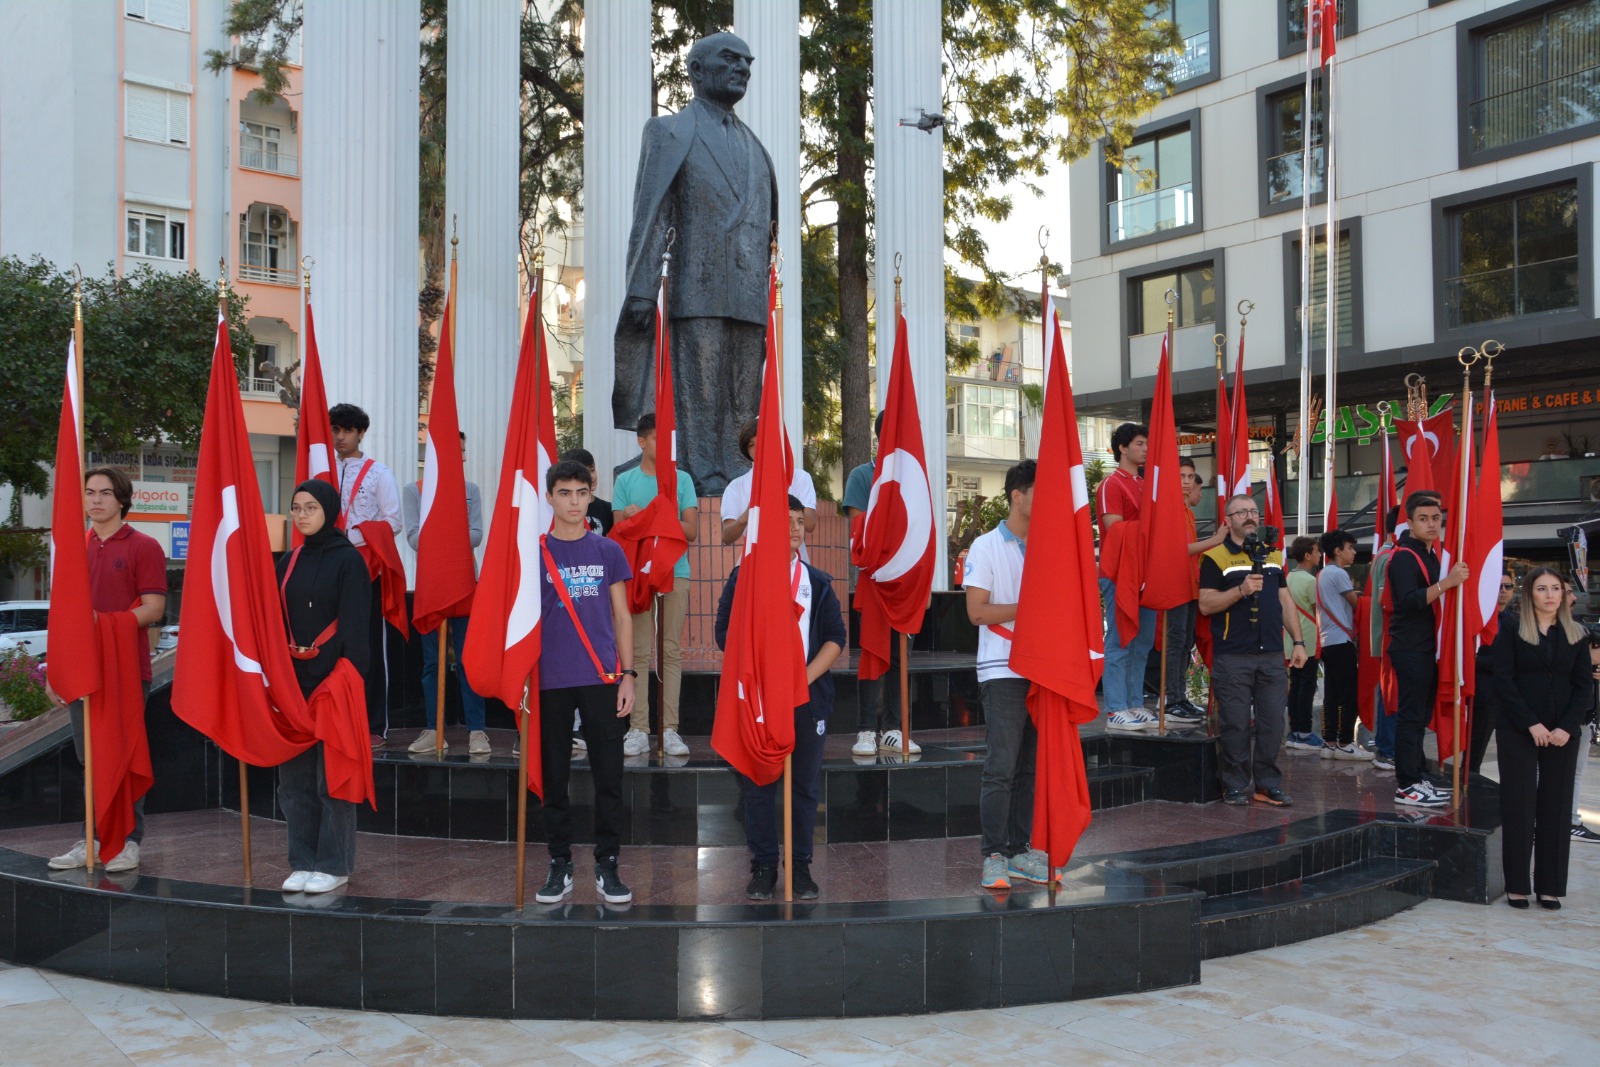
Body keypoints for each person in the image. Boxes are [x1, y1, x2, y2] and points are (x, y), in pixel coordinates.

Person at [611, 31, 776, 495]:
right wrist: (642, 289)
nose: (742, 67)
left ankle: (741, 476)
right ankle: (701, 474)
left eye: (747, 61)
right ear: (697, 70)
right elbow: (652, 213)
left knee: (745, 393)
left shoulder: (756, 148)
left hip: (747, 295)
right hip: (695, 288)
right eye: (730, 59)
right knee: (699, 389)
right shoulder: (667, 132)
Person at [715, 495, 846, 899]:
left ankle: (801, 865)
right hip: (759, 701)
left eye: (797, 520)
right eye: (783, 520)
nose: (792, 527)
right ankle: (763, 866)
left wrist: (798, 680)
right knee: (759, 783)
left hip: (806, 699)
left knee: (804, 786)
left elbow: (835, 639)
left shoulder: (817, 582)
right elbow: (724, 634)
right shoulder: (744, 578)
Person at [45, 466, 167, 873]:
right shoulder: (72, 549)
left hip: (127, 669)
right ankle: (92, 839)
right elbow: (62, 618)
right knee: (90, 758)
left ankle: (129, 841)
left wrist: (106, 622)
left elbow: (154, 608)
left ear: (122, 499)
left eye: (105, 493)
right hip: (83, 671)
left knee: (126, 751)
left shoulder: (144, 546)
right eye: (89, 492)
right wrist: (54, 672)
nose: (95, 500)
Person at [533, 460, 637, 906]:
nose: (574, 501)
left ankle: (607, 862)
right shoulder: (534, 551)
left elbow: (622, 616)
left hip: (602, 677)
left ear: (591, 495)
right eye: (564, 493)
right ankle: (559, 863)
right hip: (550, 679)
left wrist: (629, 674)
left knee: (608, 777)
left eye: (581, 492)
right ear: (549, 496)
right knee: (554, 777)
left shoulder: (608, 550)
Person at [275, 480, 372, 894]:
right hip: (293, 684)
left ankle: (334, 865)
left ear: (328, 509)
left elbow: (354, 626)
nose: (302, 515)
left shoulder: (349, 560)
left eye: (310, 507)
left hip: (334, 681)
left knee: (333, 779)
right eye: (296, 508)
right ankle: (302, 860)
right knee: (294, 783)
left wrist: (328, 670)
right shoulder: (289, 559)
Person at [965, 460, 1055, 888]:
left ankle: (1020, 850)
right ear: (1017, 495)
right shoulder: (986, 546)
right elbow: (976, 612)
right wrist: (1031, 608)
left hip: (1042, 667)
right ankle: (993, 854)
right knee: (1001, 765)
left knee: (1030, 766)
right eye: (1039, 491)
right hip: (1002, 668)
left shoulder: (1049, 543)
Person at [1493, 567, 1598, 909]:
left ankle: (1550, 886)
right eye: (1542, 588)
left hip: (1563, 733)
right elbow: (1503, 681)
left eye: (1556, 588)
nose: (1550, 594)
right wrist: (1531, 725)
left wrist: (1567, 727)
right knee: (1519, 806)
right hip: (1520, 730)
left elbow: (1585, 687)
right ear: (1530, 595)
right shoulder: (1510, 629)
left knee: (1556, 807)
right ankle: (1518, 885)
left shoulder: (1577, 633)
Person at [1199, 494, 1308, 807]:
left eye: (1253, 511)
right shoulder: (1215, 558)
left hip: (1273, 655)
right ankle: (1234, 784)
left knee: (1274, 723)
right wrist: (1241, 590)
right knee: (1234, 724)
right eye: (1241, 512)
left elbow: (1286, 601)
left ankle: (1267, 784)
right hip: (1233, 656)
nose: (1249, 516)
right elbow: (1206, 604)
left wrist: (1298, 642)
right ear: (1228, 519)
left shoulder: (1273, 555)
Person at [612, 413, 699, 758]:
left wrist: (648, 516)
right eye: (658, 441)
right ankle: (638, 728)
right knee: (639, 651)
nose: (665, 449)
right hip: (638, 573)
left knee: (671, 650)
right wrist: (651, 519)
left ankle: (670, 729)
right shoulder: (625, 480)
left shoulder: (682, 480)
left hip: (675, 571)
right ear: (642, 442)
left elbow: (690, 531)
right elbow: (619, 530)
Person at [399, 432, 488, 756]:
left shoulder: (470, 491)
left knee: (469, 660)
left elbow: (476, 535)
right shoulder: (414, 491)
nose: (459, 457)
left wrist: (442, 531)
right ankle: (432, 728)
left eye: (462, 451)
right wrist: (449, 531)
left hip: (466, 583)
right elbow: (413, 538)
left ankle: (477, 730)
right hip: (432, 585)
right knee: (430, 663)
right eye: (454, 451)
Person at [1386, 491, 1469, 808]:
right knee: (1411, 718)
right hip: (1411, 647)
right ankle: (1406, 784)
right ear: (1410, 522)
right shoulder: (1404, 556)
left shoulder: (1431, 553)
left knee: (1418, 717)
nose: (1432, 524)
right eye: (1423, 518)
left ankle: (1417, 777)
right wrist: (1447, 583)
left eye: (1436, 518)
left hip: (1425, 647)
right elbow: (1406, 602)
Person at [329, 403, 404, 748]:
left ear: (361, 433)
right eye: (335, 430)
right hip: (329, 567)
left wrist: (354, 535)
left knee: (370, 645)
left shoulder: (379, 473)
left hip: (366, 568)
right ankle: (332, 719)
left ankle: (375, 726)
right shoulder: (323, 471)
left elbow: (394, 521)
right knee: (330, 644)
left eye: (346, 430)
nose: (339, 437)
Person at [843, 411, 910, 756]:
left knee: (900, 657)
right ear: (880, 437)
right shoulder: (861, 476)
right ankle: (867, 729)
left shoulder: (915, 479)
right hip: (873, 580)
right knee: (871, 653)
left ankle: (897, 728)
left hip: (905, 584)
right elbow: (861, 531)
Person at [1146, 457, 1224, 724]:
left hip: (1190, 585)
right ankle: (1170, 699)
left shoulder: (1187, 511)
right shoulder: (1170, 510)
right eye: (1182, 476)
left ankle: (1178, 698)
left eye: (1191, 476)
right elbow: (1177, 549)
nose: (1188, 482)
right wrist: (1214, 541)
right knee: (1176, 642)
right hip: (1175, 584)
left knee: (1185, 644)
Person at [1097, 422, 1158, 731]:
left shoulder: (1147, 484)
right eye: (1139, 443)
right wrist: (1150, 529)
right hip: (1120, 570)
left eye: (1146, 443)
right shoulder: (1112, 484)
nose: (1145, 448)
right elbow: (1114, 526)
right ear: (1122, 448)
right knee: (1120, 638)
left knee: (1143, 640)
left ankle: (1134, 702)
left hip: (1146, 572)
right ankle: (1115, 709)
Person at [720, 418, 817, 547]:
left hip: (794, 560)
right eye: (751, 445)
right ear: (746, 450)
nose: (758, 448)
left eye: (762, 441)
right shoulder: (736, 487)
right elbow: (726, 537)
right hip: (755, 559)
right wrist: (747, 515)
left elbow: (810, 525)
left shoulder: (800, 477)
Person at [1317, 529, 1370, 761]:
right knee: (1349, 693)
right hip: (1341, 640)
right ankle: (1346, 742)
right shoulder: (1338, 574)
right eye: (1350, 547)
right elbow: (1356, 603)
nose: (1354, 552)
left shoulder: (1322, 573)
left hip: (1328, 640)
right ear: (1337, 551)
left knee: (1332, 693)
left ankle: (1329, 741)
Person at [1365, 507, 1403, 771]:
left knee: (1390, 694)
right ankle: (1387, 749)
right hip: (1391, 637)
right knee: (1391, 695)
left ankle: (1388, 747)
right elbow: (1383, 598)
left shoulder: (1387, 554)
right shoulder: (1389, 556)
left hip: (1390, 637)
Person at [1468, 570, 1517, 774]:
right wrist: (1499, 664)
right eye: (1499, 587)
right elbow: (1468, 657)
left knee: (1513, 752)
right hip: (1484, 693)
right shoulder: (1478, 619)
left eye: (1508, 587)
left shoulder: (1516, 621)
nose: (1503, 591)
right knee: (1474, 753)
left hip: (1511, 696)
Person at [1564, 580, 1600, 843]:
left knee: (1576, 770)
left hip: (1584, 711)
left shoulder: (1580, 628)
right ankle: (1563, 820)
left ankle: (1570, 819)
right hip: (1561, 715)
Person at [1283, 536, 1325, 752]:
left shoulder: (1288, 577)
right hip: (1307, 641)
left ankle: (1295, 731)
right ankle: (1305, 733)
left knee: (1296, 687)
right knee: (1306, 687)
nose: (1320, 555)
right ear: (1307, 555)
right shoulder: (1311, 582)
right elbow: (1319, 610)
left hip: (1290, 641)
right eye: (1317, 551)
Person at [562, 448, 615, 536]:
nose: (592, 477)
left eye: (592, 470)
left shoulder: (608, 509)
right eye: (585, 472)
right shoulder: (561, 508)